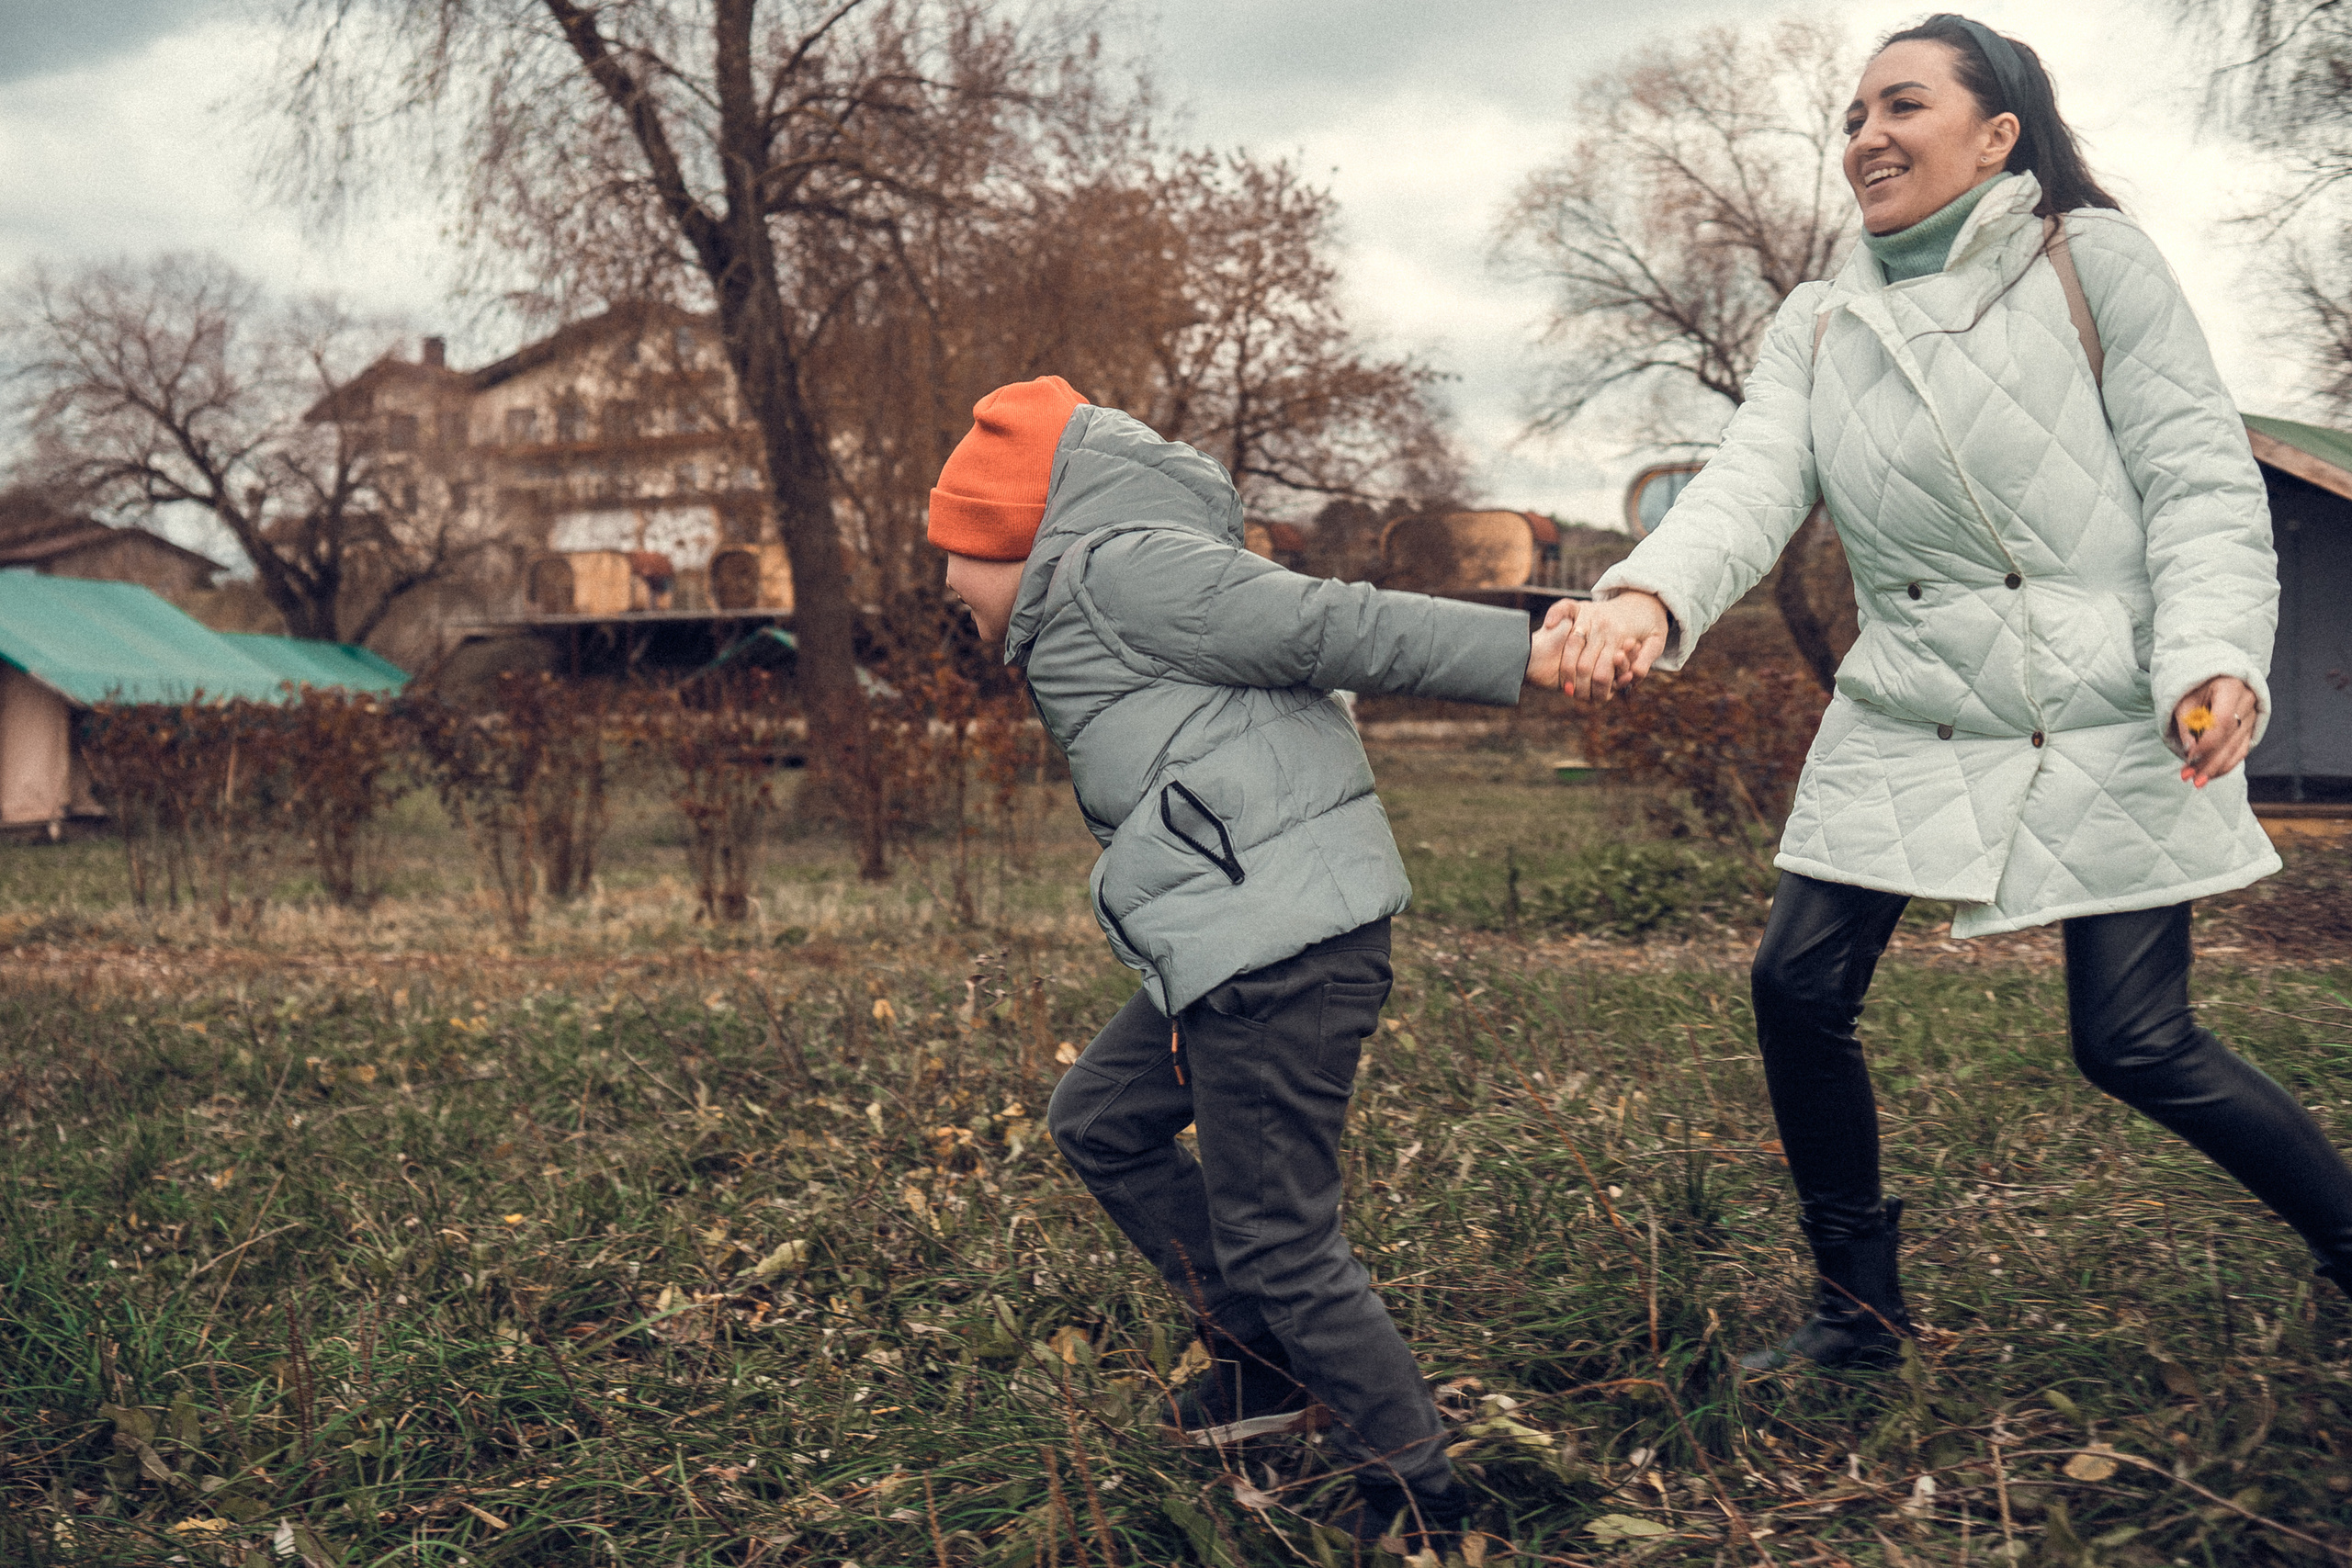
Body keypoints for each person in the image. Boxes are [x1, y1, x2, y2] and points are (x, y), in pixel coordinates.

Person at [1562, 13, 2352, 1372]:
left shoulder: (2093, 262)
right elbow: (1751, 483)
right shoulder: (1820, 318)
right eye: (1853, 116)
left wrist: (2212, 656)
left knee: (2133, 1038)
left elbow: (2198, 481)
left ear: (1999, 134)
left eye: (1902, 106)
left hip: (2106, 700)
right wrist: (1650, 591)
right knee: (1795, 986)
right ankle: (1858, 1314)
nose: (1866, 136)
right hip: (1912, 700)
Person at [928, 377, 1574, 1544]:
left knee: (1281, 1233)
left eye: (958, 553)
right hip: (1234, 947)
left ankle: (1416, 1496)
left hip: (1285, 950)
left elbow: (1333, 623)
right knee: (1101, 1119)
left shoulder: (1125, 573)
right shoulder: (1085, 605)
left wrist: (1526, 653)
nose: (944, 582)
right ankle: (1265, 1364)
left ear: (1016, 542)